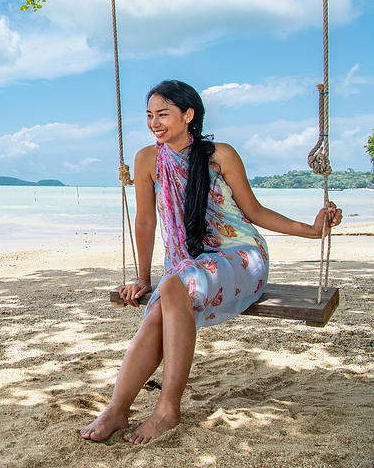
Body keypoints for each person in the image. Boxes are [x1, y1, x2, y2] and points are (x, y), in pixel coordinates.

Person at [79, 80, 342, 444]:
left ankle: (167, 409)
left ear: (188, 116)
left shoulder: (221, 155)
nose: (155, 122)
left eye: (163, 114)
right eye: (150, 115)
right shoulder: (147, 160)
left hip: (241, 256)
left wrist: (312, 231)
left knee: (173, 286)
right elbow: (145, 221)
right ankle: (118, 409)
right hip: (187, 264)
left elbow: (254, 211)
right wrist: (142, 277)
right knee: (161, 305)